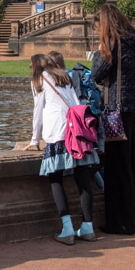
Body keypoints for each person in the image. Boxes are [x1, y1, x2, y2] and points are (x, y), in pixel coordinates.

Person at [22, 54, 99, 244]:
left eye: (30, 65)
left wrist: (34, 139)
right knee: (82, 178)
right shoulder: (64, 76)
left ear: (36, 66)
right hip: (75, 131)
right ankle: (88, 227)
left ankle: (67, 229)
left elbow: (37, 112)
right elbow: (75, 103)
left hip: (56, 133)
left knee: (55, 178)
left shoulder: (39, 80)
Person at [90, 4, 135, 234]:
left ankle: (118, 222)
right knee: (129, 165)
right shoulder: (134, 41)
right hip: (132, 108)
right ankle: (129, 219)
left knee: (115, 167)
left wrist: (99, 50)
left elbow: (96, 74)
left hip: (115, 110)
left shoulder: (113, 43)